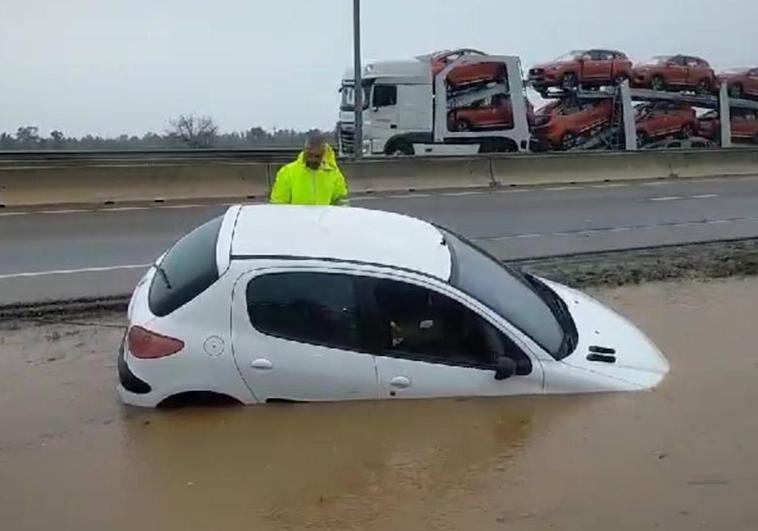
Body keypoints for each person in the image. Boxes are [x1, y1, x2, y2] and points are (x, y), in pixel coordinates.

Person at [270, 132, 349, 206]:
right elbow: (278, 204)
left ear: (323, 154)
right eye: (310, 155)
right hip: (296, 220)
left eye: (317, 156)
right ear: (305, 151)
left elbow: (341, 200)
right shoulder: (287, 172)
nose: (313, 159)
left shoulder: (333, 174)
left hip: (323, 220)